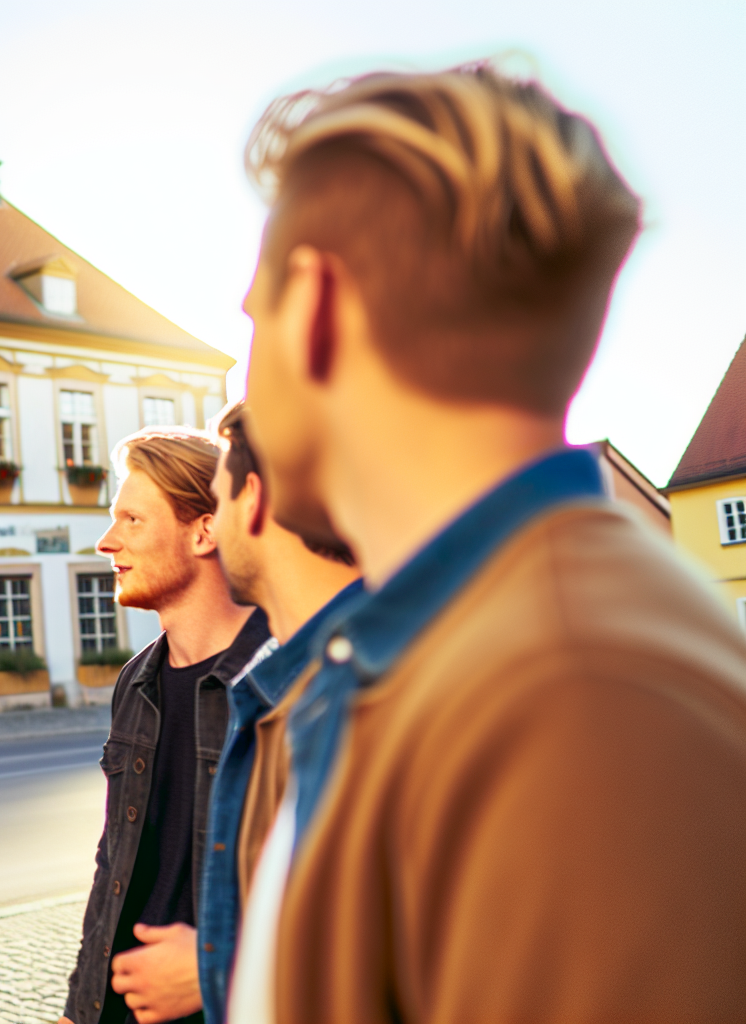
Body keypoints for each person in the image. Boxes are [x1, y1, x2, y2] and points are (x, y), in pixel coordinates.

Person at [231, 63, 746, 1023]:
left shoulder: (573, 700)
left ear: (319, 308)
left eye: (254, 319)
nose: (246, 381)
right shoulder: (455, 654)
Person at [60, 429, 271, 1024]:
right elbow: (114, 863)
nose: (107, 541)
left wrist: (219, 968)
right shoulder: (137, 681)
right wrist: (80, 1009)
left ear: (205, 531)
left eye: (132, 519)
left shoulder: (280, 679)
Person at [193, 401, 360, 1023]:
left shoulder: (353, 695)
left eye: (217, 500)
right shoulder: (276, 685)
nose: (213, 527)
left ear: (254, 499)